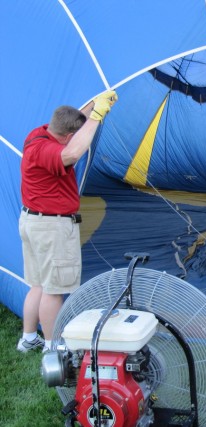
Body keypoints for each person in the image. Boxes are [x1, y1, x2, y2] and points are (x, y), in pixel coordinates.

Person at [17, 91, 118, 353]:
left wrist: (96, 103)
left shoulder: (37, 134)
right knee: (53, 290)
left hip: (32, 222)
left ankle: (28, 338)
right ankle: (54, 348)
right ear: (67, 136)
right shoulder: (50, 151)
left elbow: (76, 123)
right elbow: (73, 153)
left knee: (38, 285)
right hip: (52, 228)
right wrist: (96, 118)